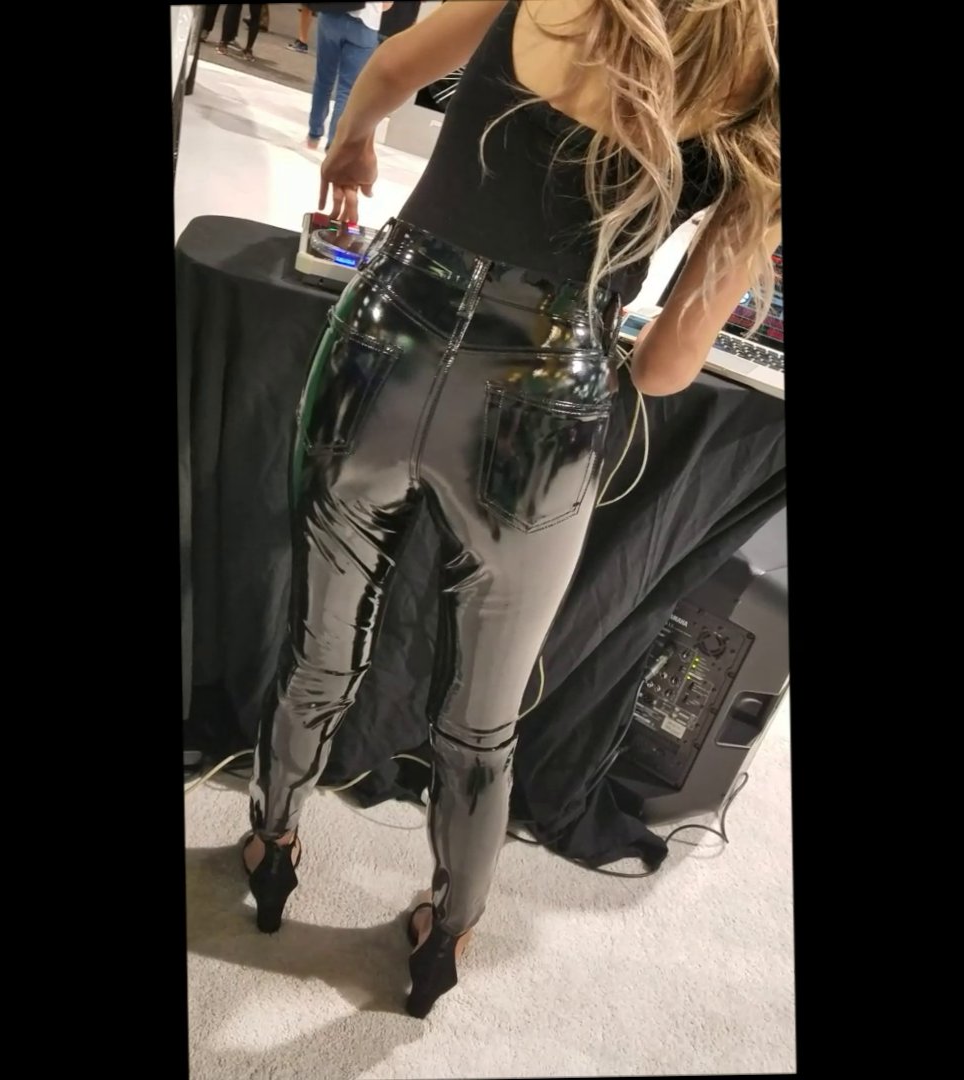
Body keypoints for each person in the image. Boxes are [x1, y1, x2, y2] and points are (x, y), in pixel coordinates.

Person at [241, 0, 781, 1019]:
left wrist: (354, 147)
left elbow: (391, 68)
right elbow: (666, 368)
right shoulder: (758, 100)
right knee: (483, 721)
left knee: (320, 647)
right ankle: (443, 938)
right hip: (546, 404)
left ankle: (271, 848)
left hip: (387, 337)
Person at [304, 2, 393, 150]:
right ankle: (334, 144)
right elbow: (386, 5)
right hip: (365, 24)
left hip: (332, 15)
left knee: (323, 79)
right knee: (347, 90)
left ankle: (314, 135)